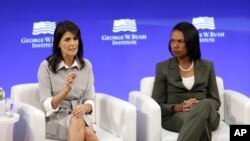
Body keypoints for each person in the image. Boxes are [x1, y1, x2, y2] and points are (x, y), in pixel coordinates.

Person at [152, 22, 221, 141]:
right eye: (172, 41)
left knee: (205, 104)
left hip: (209, 116)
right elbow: (157, 104)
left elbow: (215, 101)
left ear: (191, 43)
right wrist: (177, 107)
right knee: (200, 124)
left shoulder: (207, 66)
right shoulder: (163, 67)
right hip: (176, 116)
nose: (175, 46)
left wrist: (198, 105)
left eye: (180, 41)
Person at [38, 21, 98, 141]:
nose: (73, 43)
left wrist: (85, 107)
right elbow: (47, 105)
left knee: (81, 124)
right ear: (58, 43)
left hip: (80, 116)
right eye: (67, 39)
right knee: (88, 133)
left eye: (75, 39)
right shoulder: (46, 66)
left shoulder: (86, 65)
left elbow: (89, 99)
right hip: (56, 119)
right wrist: (66, 89)